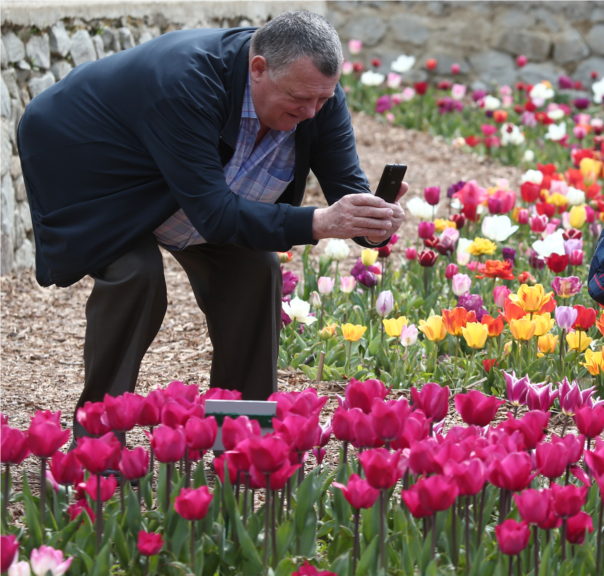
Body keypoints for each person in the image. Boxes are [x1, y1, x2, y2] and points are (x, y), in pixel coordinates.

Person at [18, 11, 405, 437]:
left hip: (189, 180)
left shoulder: (314, 94)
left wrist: (373, 222)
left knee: (255, 268)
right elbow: (215, 215)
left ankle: (242, 436)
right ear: (258, 68)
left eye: (323, 100)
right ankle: (98, 440)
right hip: (90, 156)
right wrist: (320, 222)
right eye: (300, 98)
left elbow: (347, 191)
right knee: (135, 275)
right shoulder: (186, 83)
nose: (312, 113)